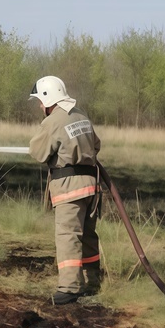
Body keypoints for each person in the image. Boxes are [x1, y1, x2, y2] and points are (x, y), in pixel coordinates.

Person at [28, 76, 102, 305]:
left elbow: (38, 153)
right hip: (91, 187)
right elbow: (96, 144)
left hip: (69, 189)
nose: (40, 106)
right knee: (88, 236)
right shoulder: (80, 114)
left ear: (49, 99)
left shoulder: (53, 121)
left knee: (68, 235)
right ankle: (92, 283)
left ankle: (69, 288)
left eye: (40, 101)